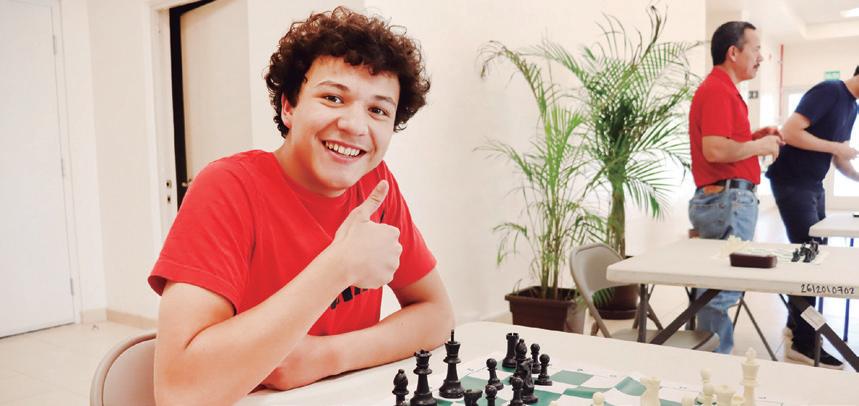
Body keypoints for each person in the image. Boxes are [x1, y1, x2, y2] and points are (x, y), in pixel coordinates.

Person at [147, 8, 454, 404]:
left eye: (378, 110)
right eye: (333, 97)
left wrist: (325, 357)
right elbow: (178, 392)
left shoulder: (375, 185)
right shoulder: (228, 187)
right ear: (289, 107)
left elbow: (436, 314)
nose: (355, 125)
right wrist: (338, 267)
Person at [687, 21, 784, 354]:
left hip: (727, 198)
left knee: (715, 287)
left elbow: (722, 144)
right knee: (720, 291)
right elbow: (714, 149)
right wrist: (759, 146)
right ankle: (715, 367)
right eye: (756, 49)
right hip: (729, 201)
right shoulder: (718, 90)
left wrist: (754, 137)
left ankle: (707, 361)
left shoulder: (723, 90)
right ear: (733, 52)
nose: (761, 57)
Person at [765, 66, 859, 369]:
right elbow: (790, 132)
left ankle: (796, 326)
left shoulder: (852, 106)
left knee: (814, 254)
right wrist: (837, 147)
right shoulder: (830, 91)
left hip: (813, 185)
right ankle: (804, 343)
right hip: (792, 182)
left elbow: (838, 158)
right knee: (810, 257)